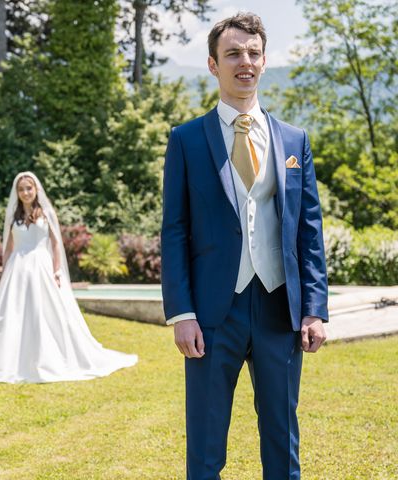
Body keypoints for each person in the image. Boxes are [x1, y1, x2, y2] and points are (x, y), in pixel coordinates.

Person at [161, 13, 328, 480]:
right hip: (214, 314)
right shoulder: (187, 139)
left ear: (264, 61)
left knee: (282, 436)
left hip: (280, 309)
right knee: (207, 443)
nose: (245, 62)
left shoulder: (293, 140)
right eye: (233, 53)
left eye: (253, 53)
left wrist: (314, 308)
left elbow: (308, 230)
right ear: (213, 65)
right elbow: (173, 230)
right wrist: (182, 313)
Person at [0, 172, 137, 383]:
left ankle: (47, 358)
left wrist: (56, 270)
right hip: (17, 270)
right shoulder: (14, 217)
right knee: (12, 315)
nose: (25, 192)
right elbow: (9, 248)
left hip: (41, 266)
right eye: (21, 189)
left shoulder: (47, 213)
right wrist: (4, 273)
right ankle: (8, 363)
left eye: (29, 188)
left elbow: (56, 244)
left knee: (45, 312)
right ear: (17, 193)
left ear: (36, 189)